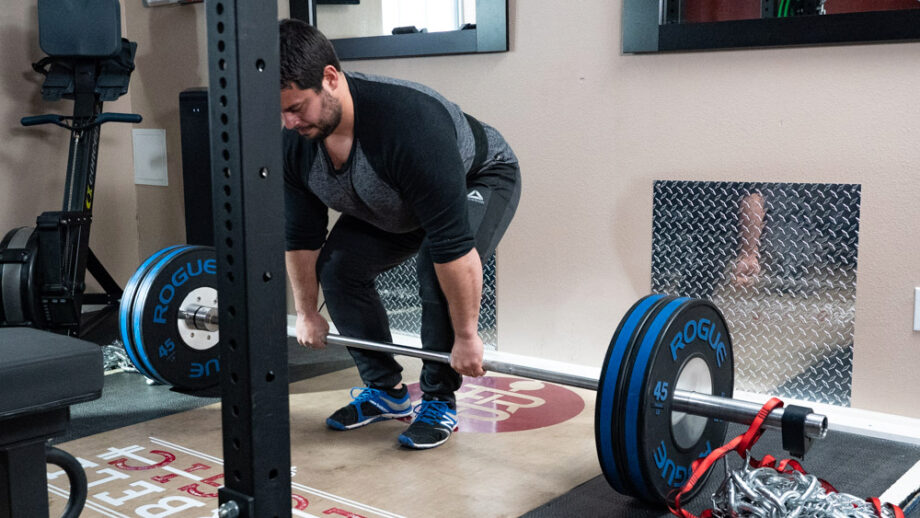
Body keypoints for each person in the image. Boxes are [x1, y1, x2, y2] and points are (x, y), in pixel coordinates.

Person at [279, 19, 521, 450]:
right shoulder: (295, 141)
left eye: (296, 107)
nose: (287, 121)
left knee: (434, 269)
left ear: (330, 79)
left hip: (478, 178)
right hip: (394, 202)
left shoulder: (409, 126)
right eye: (279, 110)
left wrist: (466, 337)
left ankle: (439, 400)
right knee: (337, 269)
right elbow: (301, 236)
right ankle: (386, 391)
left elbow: (452, 247)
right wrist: (306, 311)